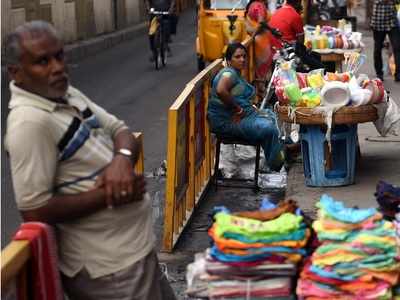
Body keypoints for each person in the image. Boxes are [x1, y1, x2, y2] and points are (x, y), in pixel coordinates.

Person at [4, 21, 177, 300]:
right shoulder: (29, 122)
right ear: (16, 73)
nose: (57, 67)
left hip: (136, 250)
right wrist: (112, 194)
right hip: (109, 270)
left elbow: (120, 130)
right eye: (42, 62)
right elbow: (33, 209)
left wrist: (121, 161)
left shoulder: (64, 92)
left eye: (60, 56)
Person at [207, 42, 285, 172]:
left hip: (240, 117)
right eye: (237, 57)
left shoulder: (236, 73)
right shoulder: (229, 74)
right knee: (269, 128)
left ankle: (276, 156)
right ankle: (276, 165)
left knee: (272, 115)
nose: (242, 59)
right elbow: (221, 90)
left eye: (244, 56)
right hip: (227, 122)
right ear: (228, 60)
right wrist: (237, 109)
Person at [245, 0, 274, 95]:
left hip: (260, 41)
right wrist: (254, 35)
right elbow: (261, 23)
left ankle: (259, 96)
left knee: (258, 72)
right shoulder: (259, 5)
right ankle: (263, 98)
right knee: (263, 74)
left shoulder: (253, 4)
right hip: (262, 43)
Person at [370, 0, 400, 82]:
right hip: (378, 22)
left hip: (392, 22)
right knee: (377, 49)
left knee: (397, 48)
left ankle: (398, 74)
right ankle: (379, 73)